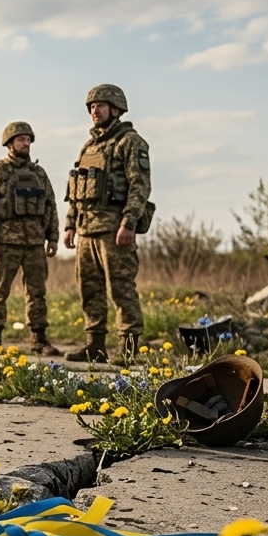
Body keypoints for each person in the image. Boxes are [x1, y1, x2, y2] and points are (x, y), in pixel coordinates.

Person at [63, 84, 152, 363]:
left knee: (121, 288)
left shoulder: (130, 142)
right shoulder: (89, 146)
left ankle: (128, 349)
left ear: (115, 109)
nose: (94, 110)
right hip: (86, 230)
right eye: (91, 106)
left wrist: (129, 223)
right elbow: (77, 189)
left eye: (100, 105)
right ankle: (95, 346)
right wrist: (70, 225)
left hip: (114, 230)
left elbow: (140, 186)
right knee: (89, 290)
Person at [0, 121, 60, 355]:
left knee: (37, 292)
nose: (26, 143)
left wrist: (53, 238)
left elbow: (50, 205)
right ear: (9, 143)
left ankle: (39, 339)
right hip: (5, 242)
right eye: (21, 139)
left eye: (28, 140)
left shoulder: (38, 173)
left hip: (35, 242)